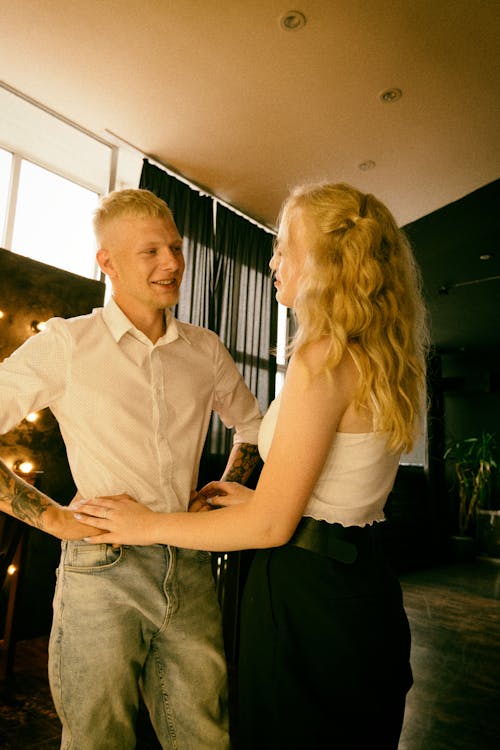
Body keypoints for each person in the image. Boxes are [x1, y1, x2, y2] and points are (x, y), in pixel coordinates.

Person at [74, 181, 429, 749]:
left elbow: (272, 526)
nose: (274, 261)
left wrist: (143, 523)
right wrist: (253, 498)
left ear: (330, 262)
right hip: (358, 579)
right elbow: (339, 492)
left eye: (285, 247)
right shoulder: (379, 352)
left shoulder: (322, 357)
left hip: (309, 594)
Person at [0, 188, 263, 750]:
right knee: (98, 740)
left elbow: (254, 425)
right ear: (107, 262)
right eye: (151, 252)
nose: (172, 263)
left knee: (205, 738)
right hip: (102, 570)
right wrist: (50, 519)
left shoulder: (206, 350)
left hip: (190, 565)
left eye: (175, 246)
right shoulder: (67, 343)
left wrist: (225, 489)